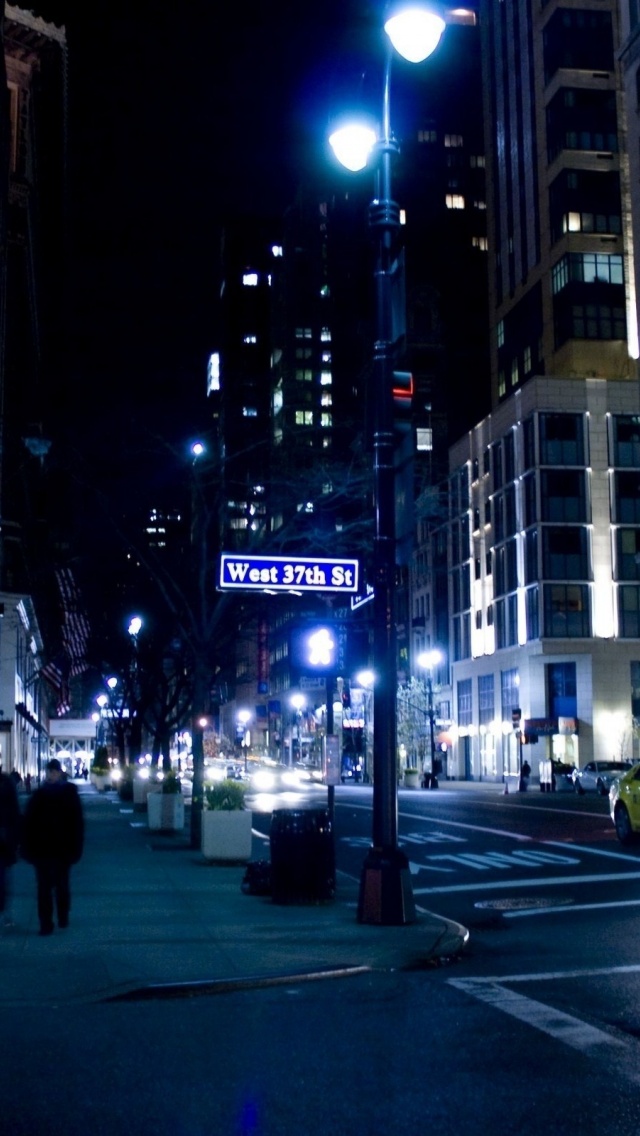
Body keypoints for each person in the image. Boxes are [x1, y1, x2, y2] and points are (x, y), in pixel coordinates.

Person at [21, 758, 84, 936]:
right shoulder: (40, 795)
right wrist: (27, 847)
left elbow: (77, 824)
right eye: (49, 772)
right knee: (44, 888)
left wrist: (76, 847)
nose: (51, 775)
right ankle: (46, 923)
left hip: (62, 849)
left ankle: (62, 915)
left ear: (59, 773)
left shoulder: (68, 794)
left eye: (54, 772)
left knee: (61, 885)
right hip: (43, 849)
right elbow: (28, 823)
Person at [0, 767, 21, 926]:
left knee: (2, 881)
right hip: (5, 840)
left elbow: (14, 815)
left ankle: (4, 912)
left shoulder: (6, 784)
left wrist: (13, 842)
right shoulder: (7, 783)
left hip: (3, 841)